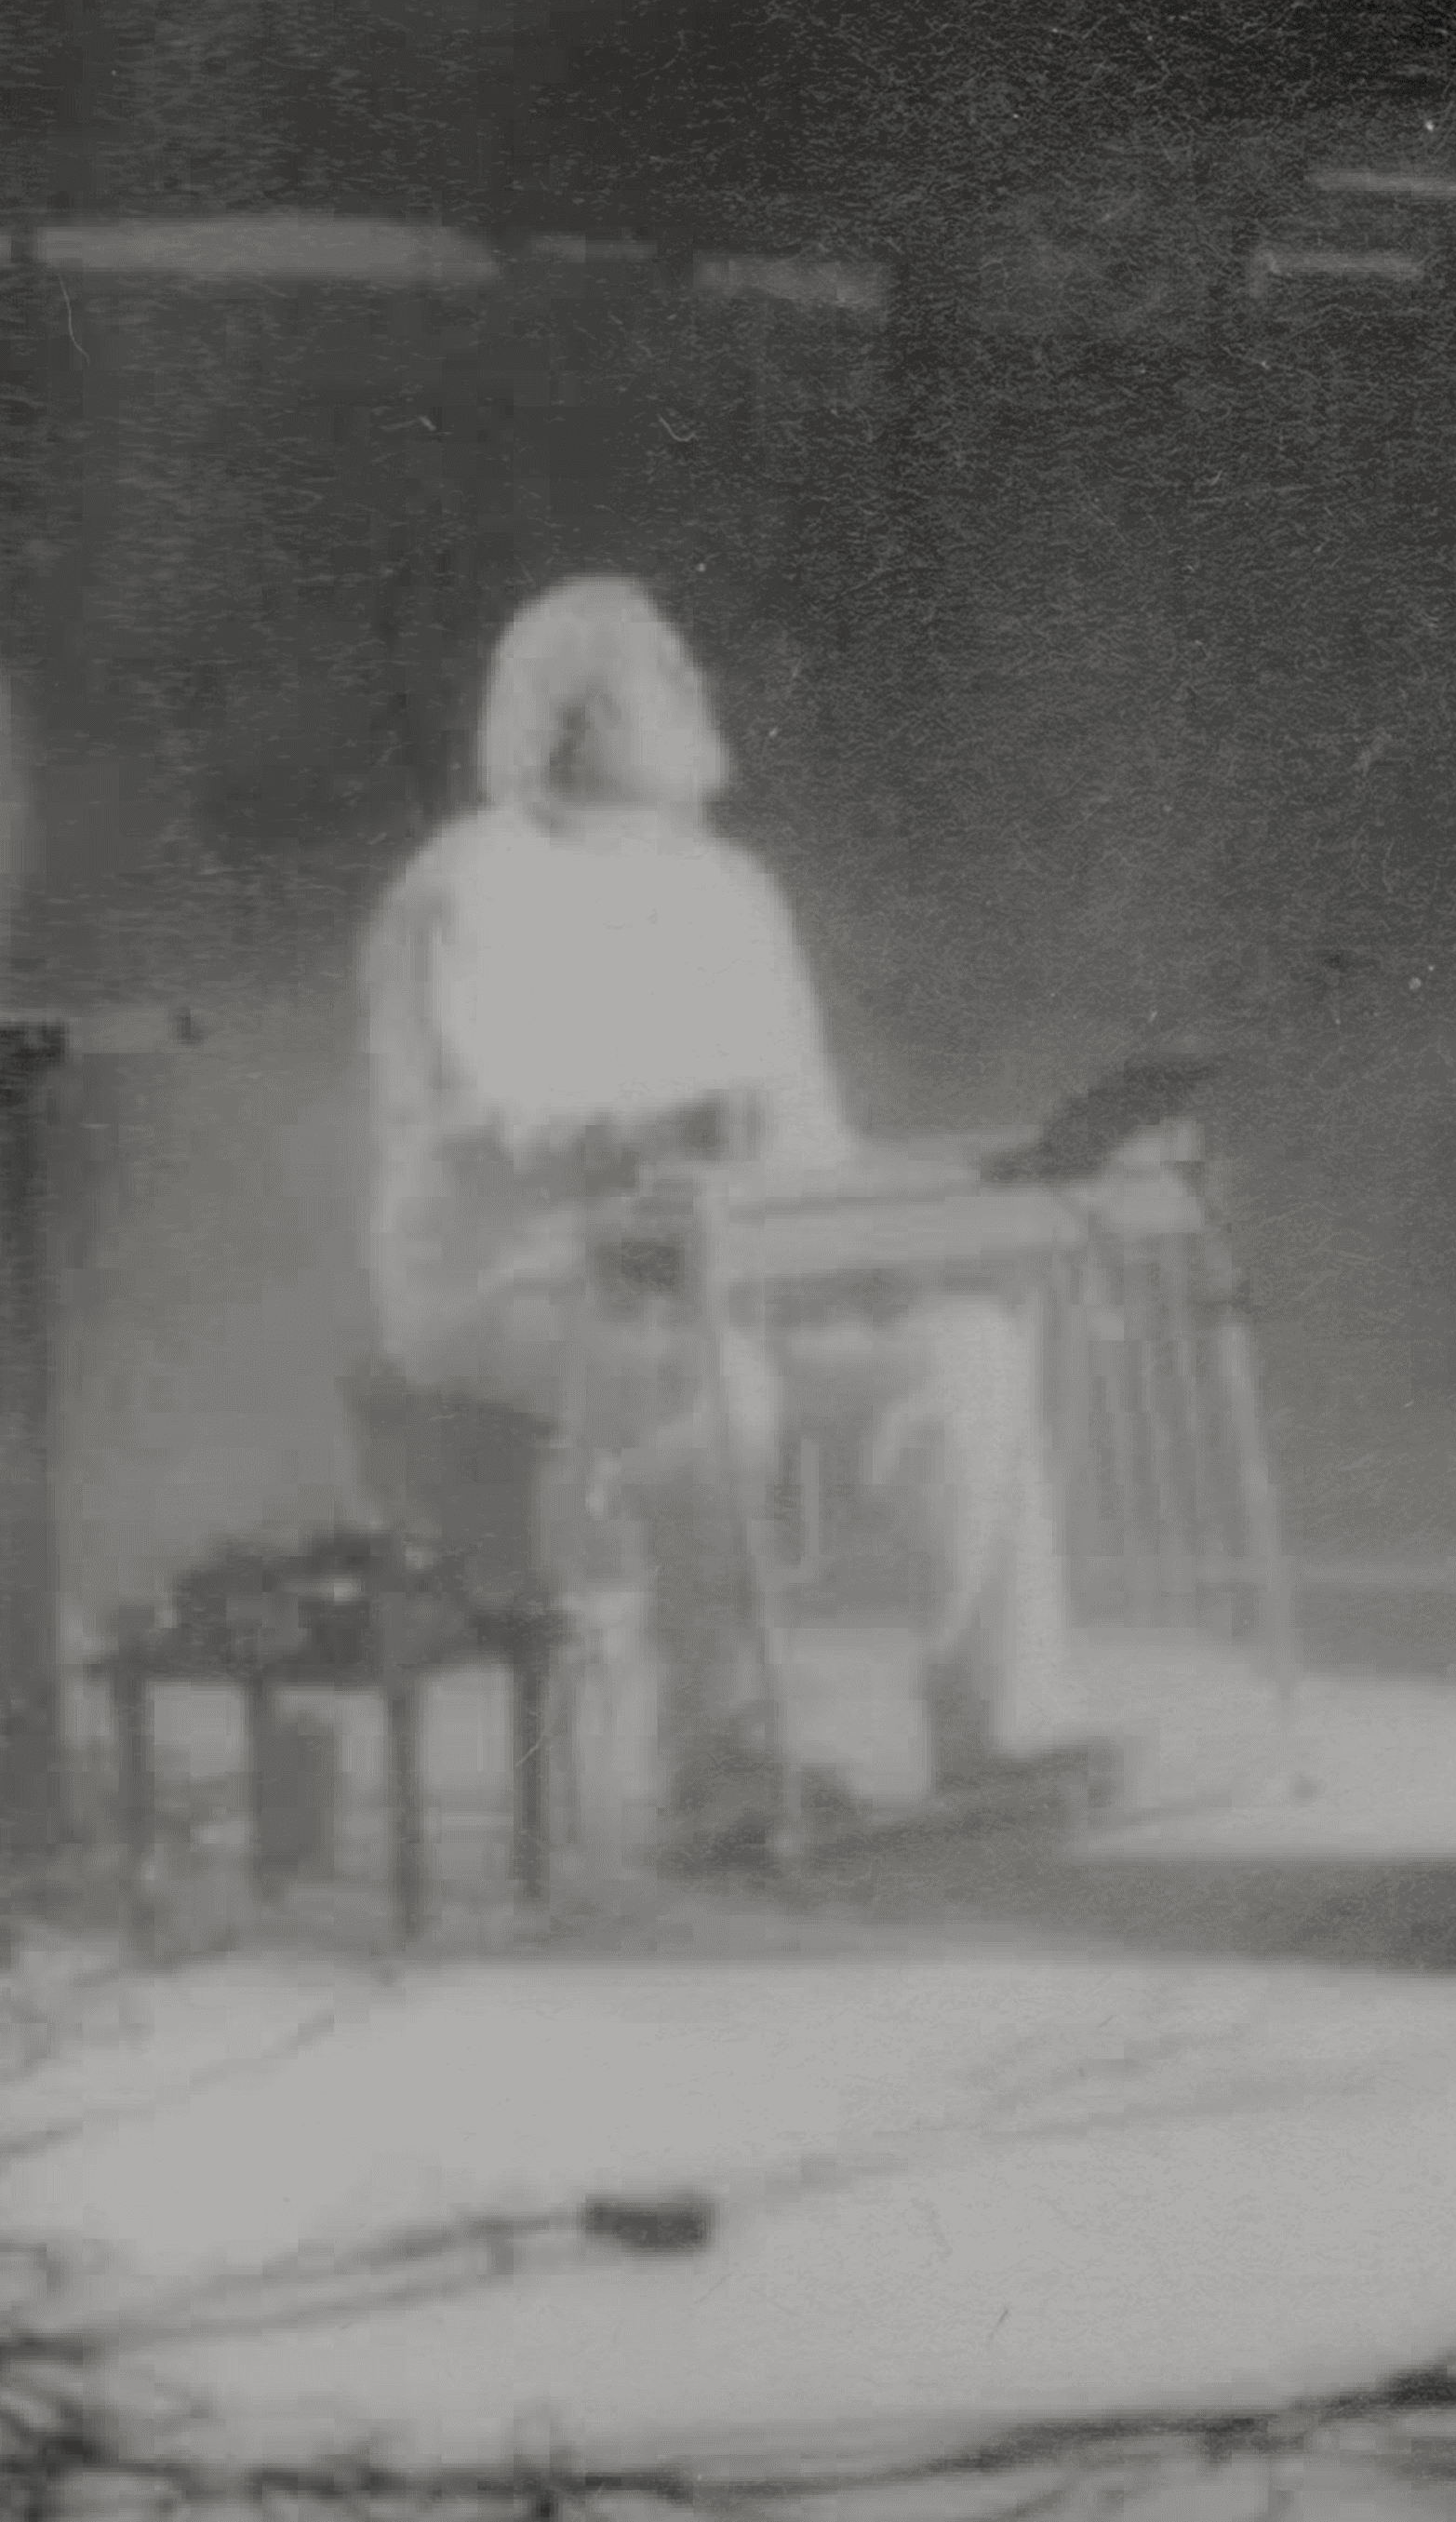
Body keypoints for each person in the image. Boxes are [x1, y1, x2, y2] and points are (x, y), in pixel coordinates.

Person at [360, 575, 1100, 1866]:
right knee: (705, 1380)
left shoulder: (733, 890)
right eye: (665, 668)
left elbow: (806, 1139)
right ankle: (720, 1769)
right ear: (570, 714)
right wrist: (665, 1130)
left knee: (963, 1349)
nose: (699, 688)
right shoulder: (467, 887)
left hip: (729, 1275)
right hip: (517, 1287)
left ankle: (1001, 1725)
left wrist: (890, 1230)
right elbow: (476, 1135)